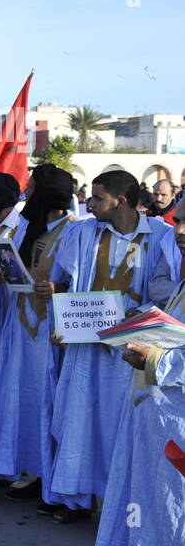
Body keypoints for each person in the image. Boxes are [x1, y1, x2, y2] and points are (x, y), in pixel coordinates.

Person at [42, 169, 172, 522]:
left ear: (122, 201)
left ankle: (123, 509)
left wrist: (137, 316)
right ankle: (78, 499)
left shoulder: (163, 236)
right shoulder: (83, 230)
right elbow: (65, 282)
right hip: (86, 348)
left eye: (98, 198)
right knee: (80, 421)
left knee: (121, 427)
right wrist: (59, 305)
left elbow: (166, 292)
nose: (89, 203)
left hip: (131, 352)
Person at [92, 201, 185, 546]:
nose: (179, 230)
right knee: (167, 519)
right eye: (177, 220)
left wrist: (153, 357)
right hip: (167, 425)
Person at [0, 165, 76, 508]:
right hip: (20, 326)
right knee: (21, 397)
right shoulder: (27, 228)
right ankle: (28, 469)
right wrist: (3, 273)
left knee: (47, 402)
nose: (28, 193)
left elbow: (79, 282)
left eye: (33, 187)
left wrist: (59, 287)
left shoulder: (73, 232)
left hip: (50, 331)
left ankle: (52, 478)